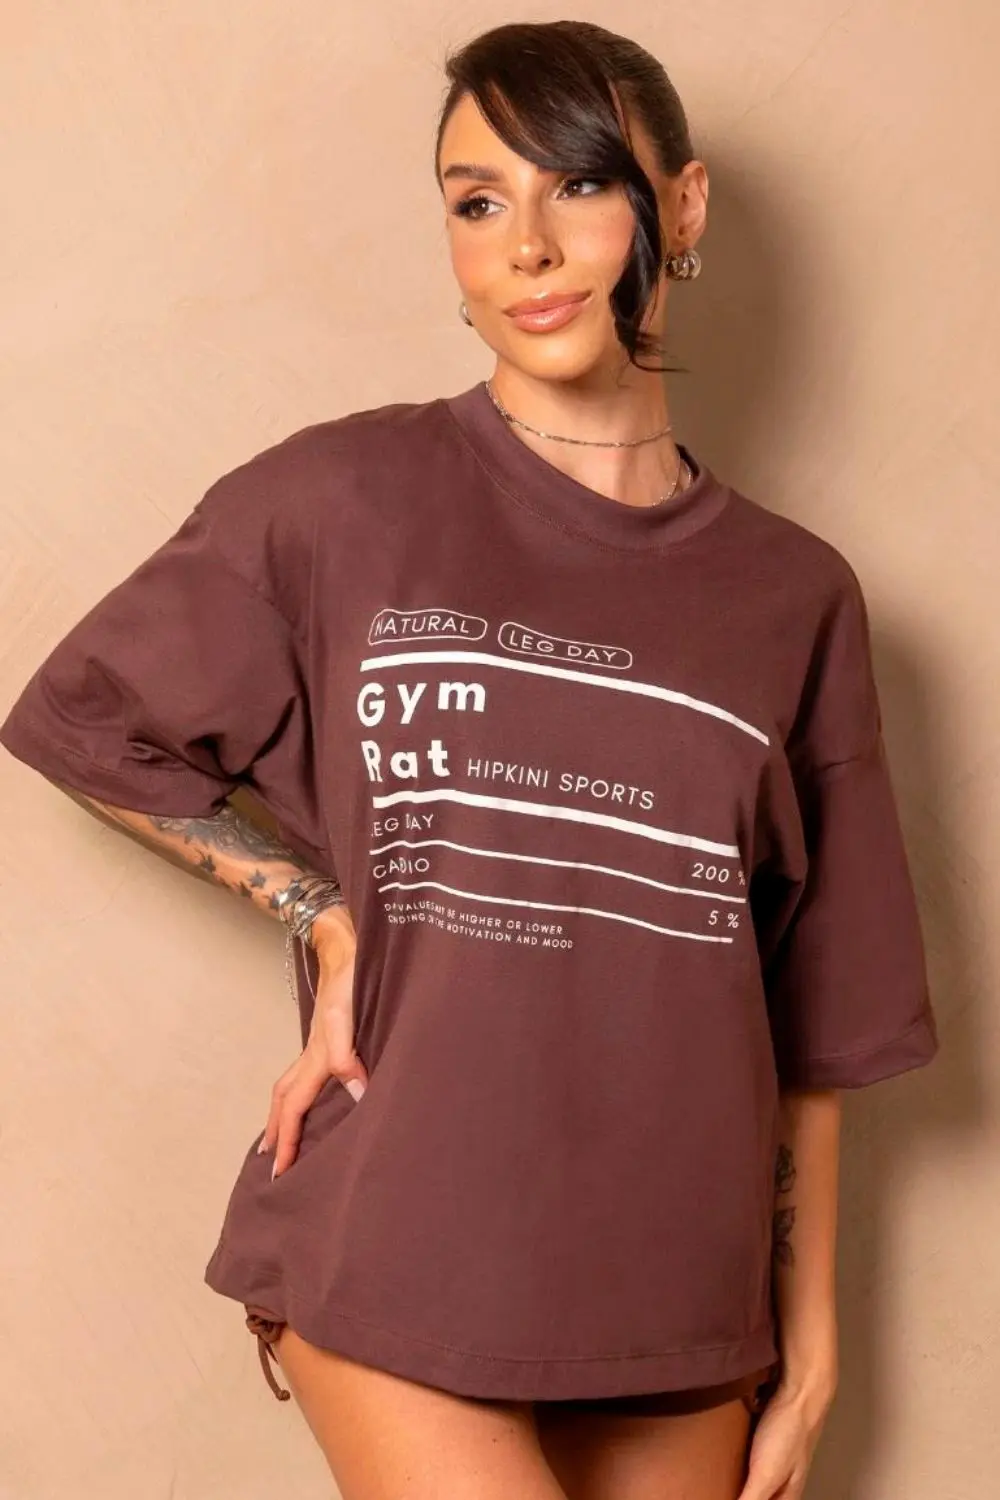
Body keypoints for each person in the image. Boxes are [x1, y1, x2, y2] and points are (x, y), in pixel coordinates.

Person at [0, 19, 939, 1500]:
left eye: (582, 183)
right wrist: (324, 914)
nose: (529, 247)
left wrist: (808, 1343)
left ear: (683, 205)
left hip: (676, 1290)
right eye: (478, 201)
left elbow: (814, 1018)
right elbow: (87, 719)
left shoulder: (795, 596)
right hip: (403, 1234)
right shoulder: (343, 501)